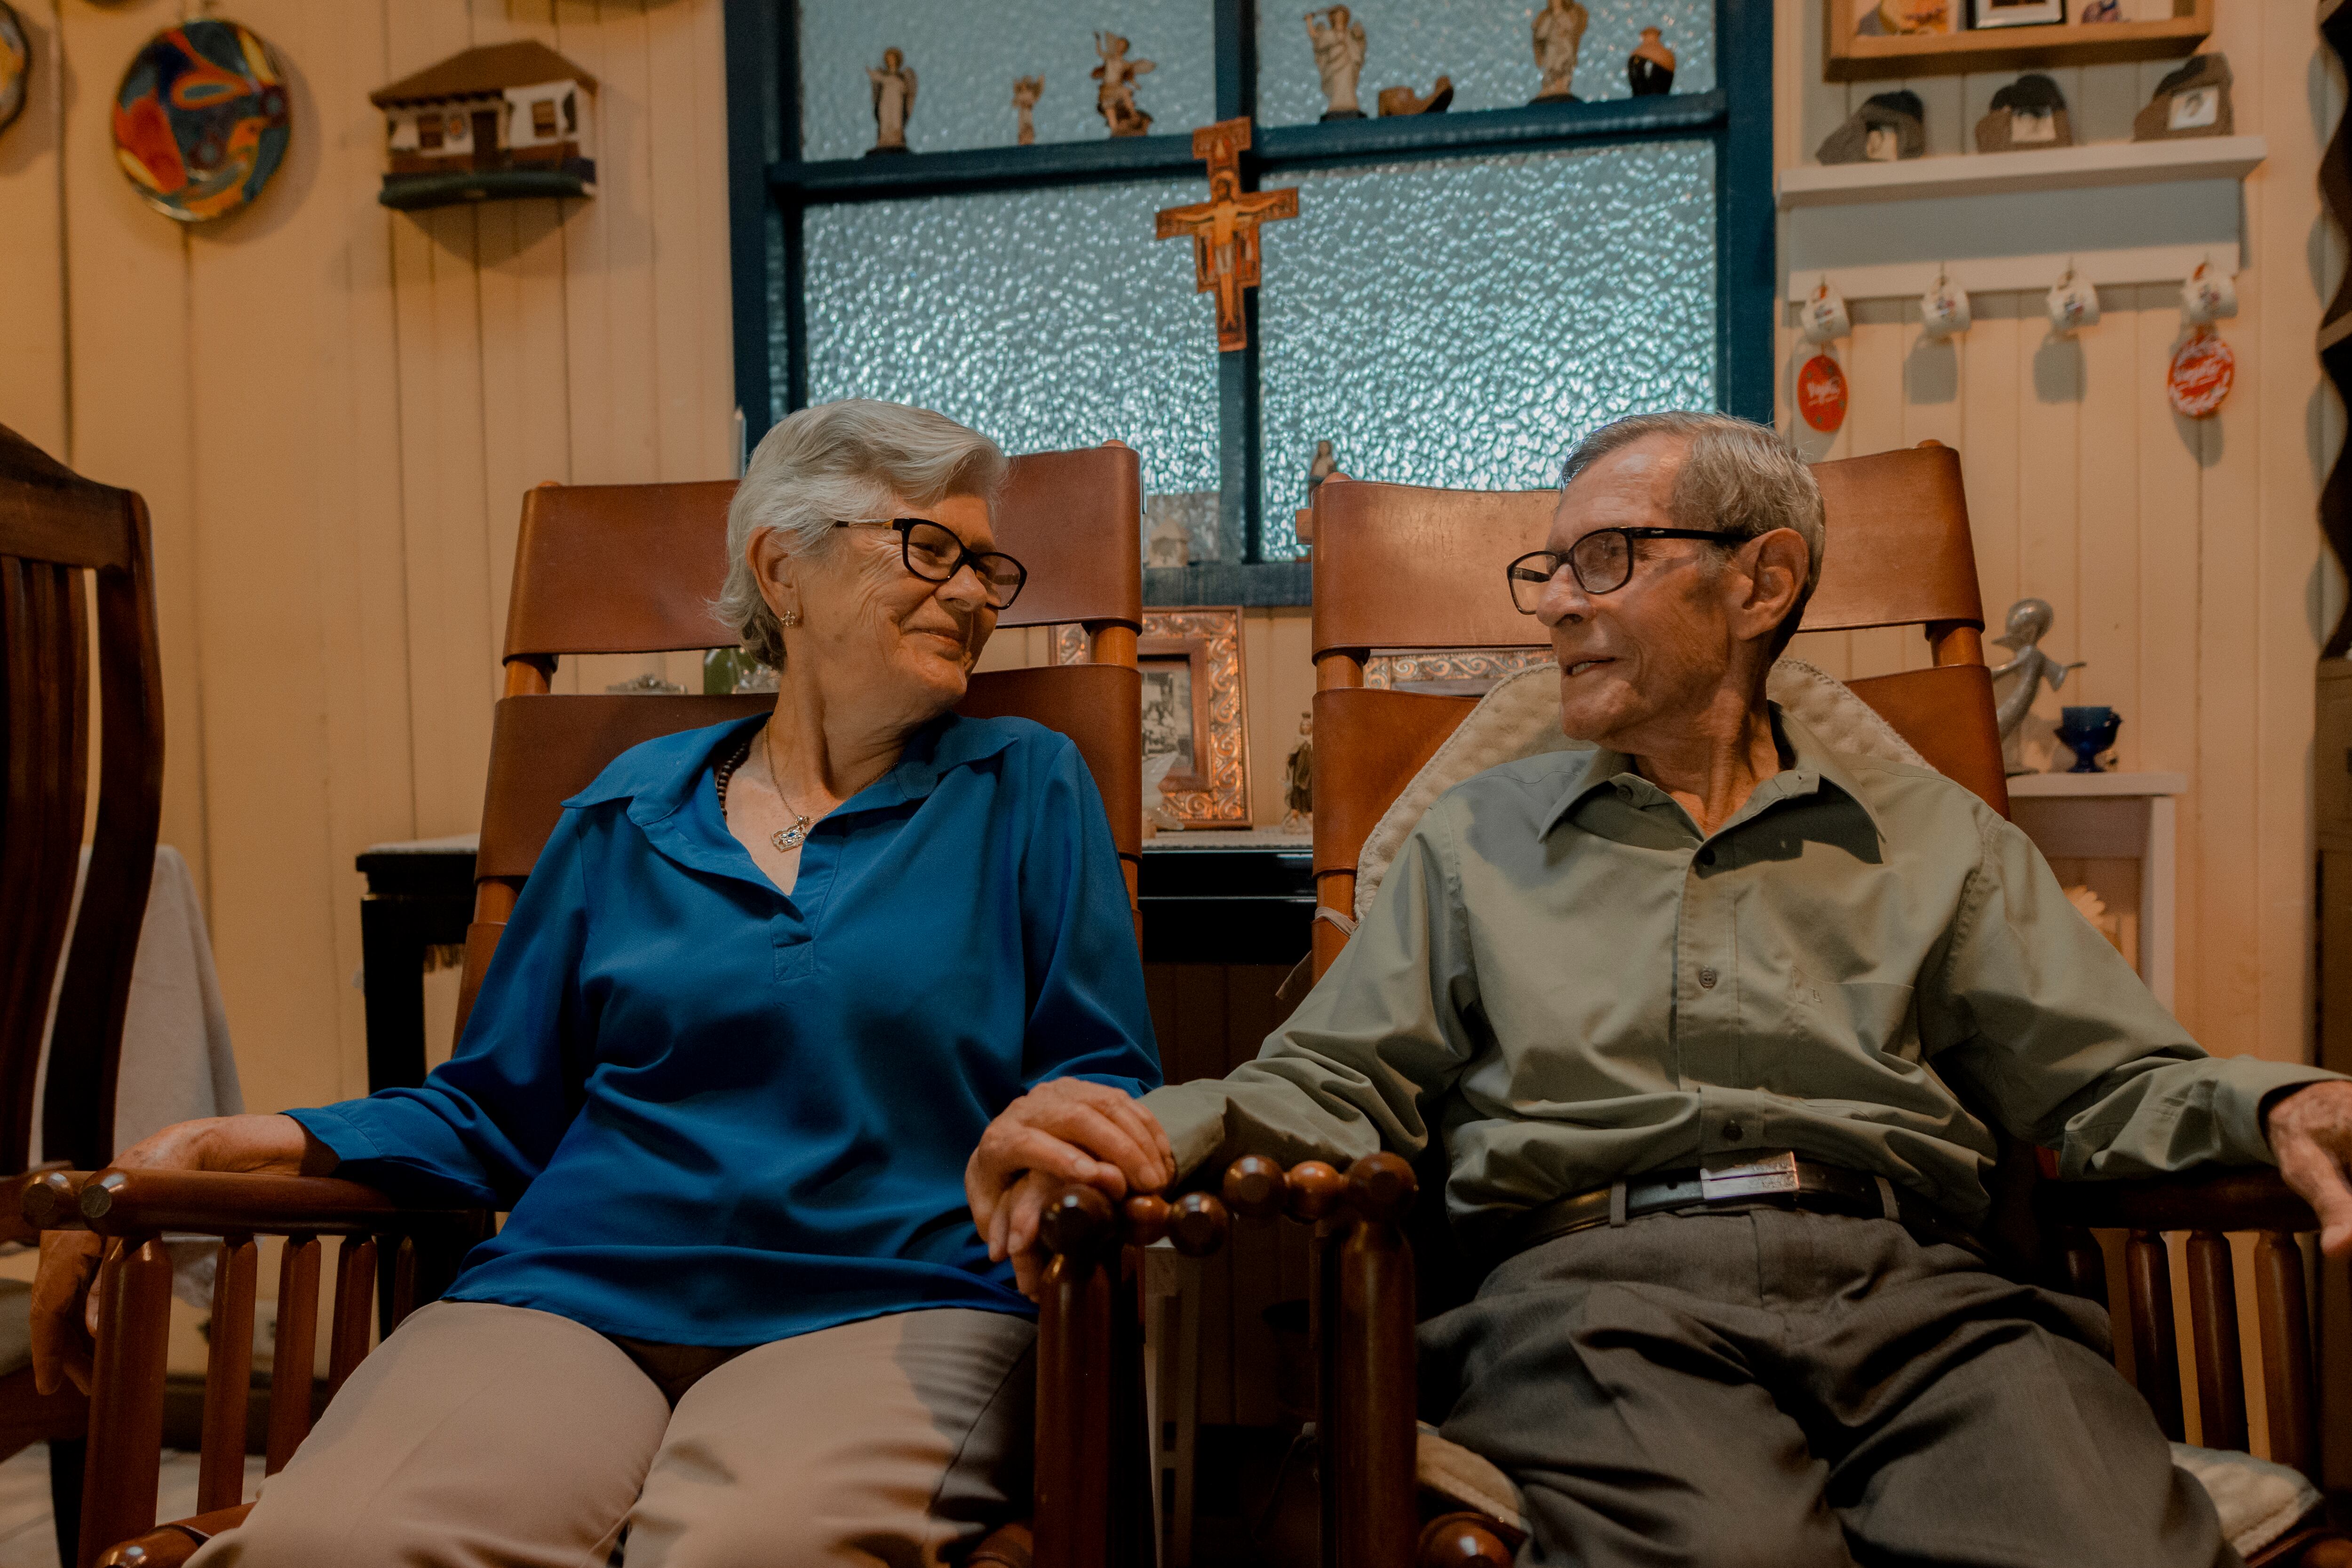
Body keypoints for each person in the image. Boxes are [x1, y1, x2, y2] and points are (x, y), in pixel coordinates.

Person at [969, 411, 2352, 1568]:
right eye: (1549, 567)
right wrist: (1151, 1126)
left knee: (2106, 1545)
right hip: (1596, 1296)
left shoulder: (1938, 838)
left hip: (1926, 1299)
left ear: (1761, 582)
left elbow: (2109, 1081)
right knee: (1731, 1551)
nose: (1556, 603)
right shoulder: (1476, 838)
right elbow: (1338, 1079)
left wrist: (2283, 1104)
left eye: (1608, 557)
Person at [36, 400, 1171, 1568]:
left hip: (890, 1296)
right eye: (929, 548)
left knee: (746, 1554)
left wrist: (1064, 1135)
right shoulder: (631, 805)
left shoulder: (1024, 786)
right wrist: (231, 1143)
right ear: (783, 567)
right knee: (326, 1543)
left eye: (988, 565)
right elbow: (492, 1107)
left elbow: (1101, 1074)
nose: (974, 593)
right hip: (572, 1296)